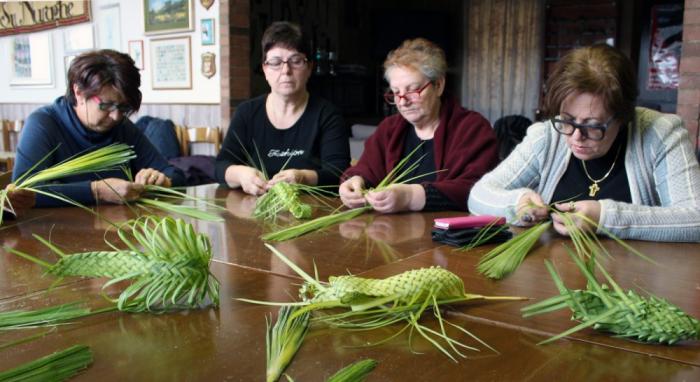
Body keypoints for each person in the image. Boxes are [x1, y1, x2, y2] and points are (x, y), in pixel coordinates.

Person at [468, 44, 700, 242]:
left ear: (622, 117)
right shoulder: (547, 137)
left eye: (593, 125)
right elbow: (478, 196)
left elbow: (695, 219)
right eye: (567, 121)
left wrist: (605, 218)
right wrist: (517, 203)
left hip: (634, 284)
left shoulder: (660, 135)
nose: (576, 137)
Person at [339, 38, 498, 213]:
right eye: (396, 93)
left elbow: (478, 189)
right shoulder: (388, 130)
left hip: (449, 237)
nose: (402, 102)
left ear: (438, 85)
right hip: (391, 234)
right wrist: (354, 182)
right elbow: (366, 169)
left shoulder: (472, 129)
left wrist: (411, 196)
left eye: (412, 90)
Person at [13, 49, 185, 207]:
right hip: (58, 233)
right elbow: (22, 191)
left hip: (117, 233)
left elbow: (175, 174)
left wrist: (163, 181)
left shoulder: (122, 128)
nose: (116, 116)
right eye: (106, 106)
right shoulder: (43, 124)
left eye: (123, 108)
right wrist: (96, 191)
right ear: (78, 92)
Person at [215, 21, 350, 195]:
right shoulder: (247, 113)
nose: (286, 70)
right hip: (255, 213)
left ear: (309, 68)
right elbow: (220, 166)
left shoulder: (327, 115)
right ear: (265, 69)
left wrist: (303, 177)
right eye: (275, 62)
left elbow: (339, 173)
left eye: (296, 61)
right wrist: (241, 174)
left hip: (312, 213)